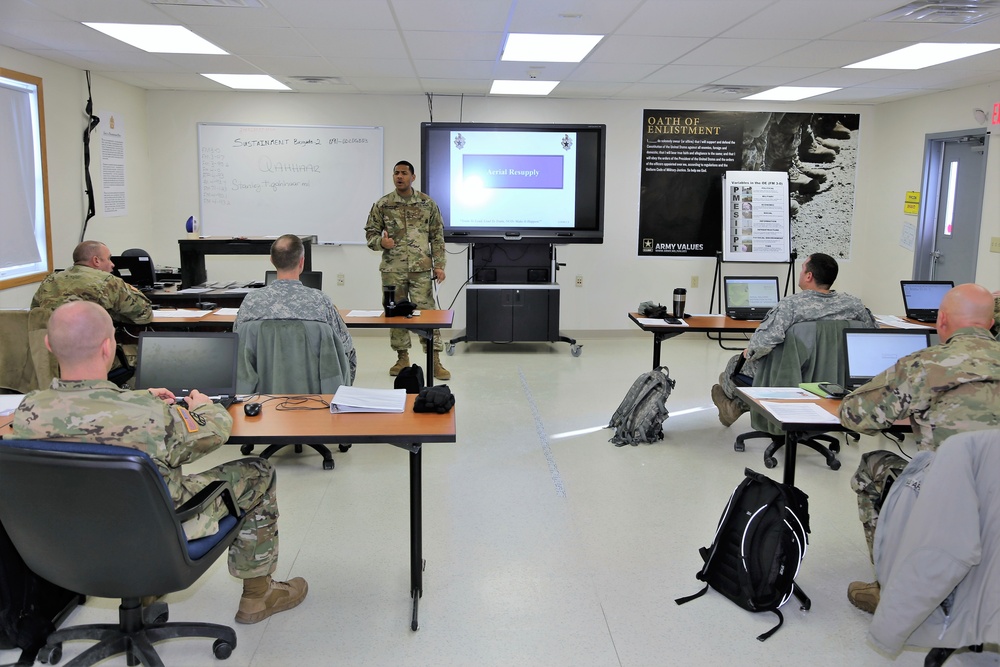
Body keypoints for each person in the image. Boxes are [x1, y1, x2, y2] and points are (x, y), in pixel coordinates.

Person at [10, 301, 308, 625]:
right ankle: (258, 595)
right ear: (109, 346)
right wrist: (205, 407)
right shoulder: (147, 414)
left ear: (49, 345)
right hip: (158, 532)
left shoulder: (27, 412)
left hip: (66, 536)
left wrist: (140, 399)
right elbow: (214, 433)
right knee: (257, 471)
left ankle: (147, 591)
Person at [839, 283, 1000, 613]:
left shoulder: (925, 364)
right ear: (990, 324)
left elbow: (855, 416)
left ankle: (892, 590)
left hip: (949, 499)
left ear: (941, 321)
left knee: (872, 466)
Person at [711, 252, 877, 426]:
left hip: (791, 378)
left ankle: (731, 402)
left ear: (809, 276)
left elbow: (760, 345)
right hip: (836, 380)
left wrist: (749, 352)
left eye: (802, 268)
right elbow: (872, 336)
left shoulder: (791, 306)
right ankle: (734, 403)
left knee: (733, 366)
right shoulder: (854, 305)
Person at [364, 160, 449, 380]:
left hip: (420, 269)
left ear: (413, 177)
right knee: (395, 314)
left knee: (428, 314)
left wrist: (439, 265)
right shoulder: (383, 204)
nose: (399, 177)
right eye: (396, 173)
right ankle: (402, 358)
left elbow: (437, 236)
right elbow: (371, 233)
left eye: (403, 173)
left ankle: (435, 360)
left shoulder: (426, 203)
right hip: (393, 269)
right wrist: (381, 243)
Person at [234, 234, 356, 383]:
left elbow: (237, 348)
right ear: (301, 262)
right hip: (315, 397)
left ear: (272, 261)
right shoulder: (320, 301)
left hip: (261, 397)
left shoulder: (251, 302)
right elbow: (345, 348)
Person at [31, 240, 152, 325]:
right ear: (96, 260)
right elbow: (144, 315)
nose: (112, 264)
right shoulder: (108, 281)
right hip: (91, 352)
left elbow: (35, 314)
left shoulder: (50, 280)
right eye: (109, 258)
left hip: (52, 353)